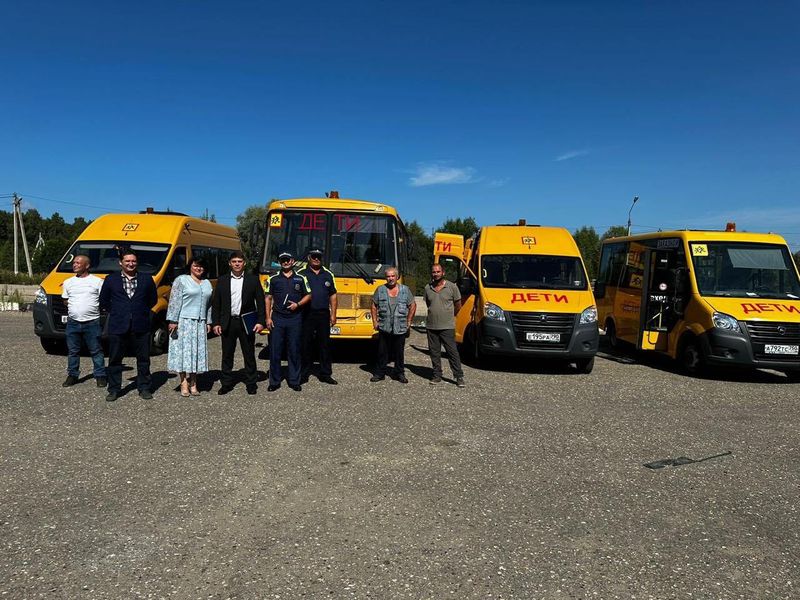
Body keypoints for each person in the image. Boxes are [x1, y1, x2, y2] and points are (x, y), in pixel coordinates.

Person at [99, 248, 158, 402]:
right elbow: (104, 301)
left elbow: (153, 300)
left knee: (143, 358)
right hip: (118, 325)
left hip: (141, 324)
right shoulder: (111, 280)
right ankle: (114, 389)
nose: (131, 264)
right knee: (115, 359)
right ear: (121, 263)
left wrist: (140, 311)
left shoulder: (146, 279)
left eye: (133, 261)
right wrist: (119, 312)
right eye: (127, 261)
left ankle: (144, 387)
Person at [211, 251, 266, 395]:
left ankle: (251, 383)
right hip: (228, 322)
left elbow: (260, 302)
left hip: (246, 322)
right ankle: (226, 383)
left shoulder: (253, 280)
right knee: (227, 355)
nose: (237, 264)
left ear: (244, 263)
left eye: (239, 261)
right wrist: (215, 323)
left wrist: (261, 321)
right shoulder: (222, 280)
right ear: (230, 263)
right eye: (234, 261)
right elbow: (216, 304)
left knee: (249, 354)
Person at [264, 250, 311, 392]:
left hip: (295, 319)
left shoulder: (301, 278)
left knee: (294, 350)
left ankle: (294, 380)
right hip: (278, 318)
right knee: (275, 351)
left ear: (292, 261)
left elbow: (309, 295)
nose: (285, 262)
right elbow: (268, 298)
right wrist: (267, 317)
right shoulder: (272, 279)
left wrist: (298, 305)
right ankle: (274, 381)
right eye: (282, 260)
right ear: (280, 262)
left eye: (287, 260)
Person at [166, 257, 213, 397]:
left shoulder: (207, 283)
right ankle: (183, 382)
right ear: (190, 266)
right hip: (184, 322)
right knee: (183, 352)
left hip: (199, 323)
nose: (198, 268)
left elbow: (209, 305)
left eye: (201, 266)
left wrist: (208, 321)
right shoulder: (181, 280)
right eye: (196, 266)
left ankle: (193, 382)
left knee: (195, 353)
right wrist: (173, 320)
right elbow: (175, 300)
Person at [61, 254, 106, 388]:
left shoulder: (97, 281)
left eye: (78, 263)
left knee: (96, 350)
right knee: (73, 350)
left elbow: (103, 300)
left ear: (87, 265)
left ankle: (100, 375)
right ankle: (72, 375)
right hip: (73, 322)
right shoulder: (68, 282)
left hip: (92, 322)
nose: (75, 264)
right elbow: (65, 299)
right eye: (74, 262)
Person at [297, 248, 338, 385]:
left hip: (323, 314)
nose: (316, 259)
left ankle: (325, 373)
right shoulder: (301, 274)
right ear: (309, 257)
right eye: (314, 256)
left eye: (319, 256)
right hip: (306, 314)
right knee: (305, 344)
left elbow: (333, 295)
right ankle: (304, 373)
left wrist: (333, 314)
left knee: (324, 345)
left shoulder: (328, 274)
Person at [370, 266, 416, 383]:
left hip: (400, 327)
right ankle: (380, 373)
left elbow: (412, 305)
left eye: (392, 276)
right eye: (388, 276)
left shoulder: (405, 290)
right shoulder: (380, 290)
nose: (390, 278)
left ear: (397, 277)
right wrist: (375, 321)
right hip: (384, 326)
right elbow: (374, 305)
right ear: (385, 277)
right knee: (382, 352)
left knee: (399, 352)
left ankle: (399, 373)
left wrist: (409, 321)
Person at [424, 263, 465, 387]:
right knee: (434, 352)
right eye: (433, 272)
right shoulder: (427, 288)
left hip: (447, 326)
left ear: (443, 273)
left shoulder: (452, 287)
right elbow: (428, 304)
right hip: (431, 326)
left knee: (452, 352)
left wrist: (448, 315)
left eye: (438, 272)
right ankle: (437, 375)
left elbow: (458, 305)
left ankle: (459, 376)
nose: (435, 274)